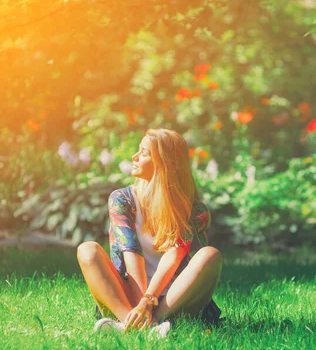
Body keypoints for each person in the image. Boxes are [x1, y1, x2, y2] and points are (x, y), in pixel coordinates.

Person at [76, 129, 223, 335]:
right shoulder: (122, 200)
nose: (134, 157)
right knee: (87, 250)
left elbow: (175, 255)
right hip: (131, 298)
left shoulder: (195, 210)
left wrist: (150, 302)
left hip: (175, 297)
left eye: (144, 153)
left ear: (164, 163)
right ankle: (137, 324)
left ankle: (151, 323)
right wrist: (140, 305)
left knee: (210, 255)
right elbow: (131, 253)